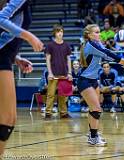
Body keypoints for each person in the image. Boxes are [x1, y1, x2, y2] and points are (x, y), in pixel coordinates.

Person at [0, 0, 44, 157]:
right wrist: (29, 36)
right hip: (2, 56)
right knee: (6, 120)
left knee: (8, 120)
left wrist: (17, 58)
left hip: (7, 57)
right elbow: (0, 19)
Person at [78, 24, 124, 146]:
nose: (99, 34)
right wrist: (123, 61)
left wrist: (121, 63)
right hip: (84, 80)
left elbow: (106, 55)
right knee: (96, 109)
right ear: (89, 35)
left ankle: (93, 135)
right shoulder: (91, 45)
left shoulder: (97, 44)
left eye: (99, 32)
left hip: (94, 80)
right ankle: (93, 137)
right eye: (96, 32)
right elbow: (106, 52)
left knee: (95, 109)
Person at [44, 24, 72, 119]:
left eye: (61, 31)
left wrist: (69, 73)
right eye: (58, 32)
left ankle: (63, 113)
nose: (60, 33)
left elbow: (69, 59)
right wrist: (50, 73)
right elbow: (47, 59)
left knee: (63, 95)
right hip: (53, 73)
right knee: (51, 94)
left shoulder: (66, 45)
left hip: (64, 73)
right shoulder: (50, 45)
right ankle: (48, 113)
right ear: (54, 33)